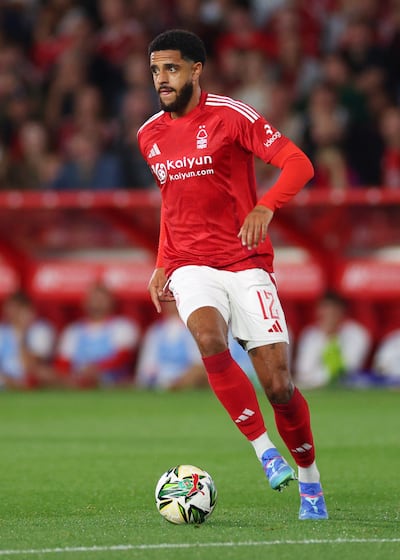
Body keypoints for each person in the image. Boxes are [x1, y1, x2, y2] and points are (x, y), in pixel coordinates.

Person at [137, 29, 328, 520]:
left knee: (279, 385)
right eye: (156, 68)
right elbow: (171, 204)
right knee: (207, 335)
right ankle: (265, 452)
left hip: (246, 262)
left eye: (171, 68)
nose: (161, 78)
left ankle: (309, 480)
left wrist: (265, 207)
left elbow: (298, 163)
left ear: (196, 70)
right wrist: (163, 262)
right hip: (190, 264)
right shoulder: (148, 135)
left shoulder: (231, 115)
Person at [54, 283, 140, 388]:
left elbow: (123, 358)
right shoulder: (73, 331)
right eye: (94, 298)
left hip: (112, 384)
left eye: (101, 299)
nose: (97, 303)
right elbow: (63, 362)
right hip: (78, 382)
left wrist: (97, 369)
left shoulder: (122, 326)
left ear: (111, 301)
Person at [294, 291, 372, 389]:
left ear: (342, 311)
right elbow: (303, 371)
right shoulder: (309, 334)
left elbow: (346, 370)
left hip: (347, 390)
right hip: (314, 391)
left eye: (333, 311)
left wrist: (331, 338)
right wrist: (325, 336)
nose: (329, 315)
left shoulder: (357, 334)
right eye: (325, 309)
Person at [135, 300, 207, 390]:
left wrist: (180, 381)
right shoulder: (155, 331)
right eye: (168, 301)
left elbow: (199, 364)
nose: (172, 305)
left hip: (186, 382)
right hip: (159, 382)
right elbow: (147, 365)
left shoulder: (194, 330)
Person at [0, 291, 56, 389]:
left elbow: (31, 366)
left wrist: (22, 333)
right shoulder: (2, 331)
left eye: (16, 308)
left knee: (42, 373)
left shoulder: (40, 330)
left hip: (31, 378)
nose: (9, 312)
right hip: (5, 377)